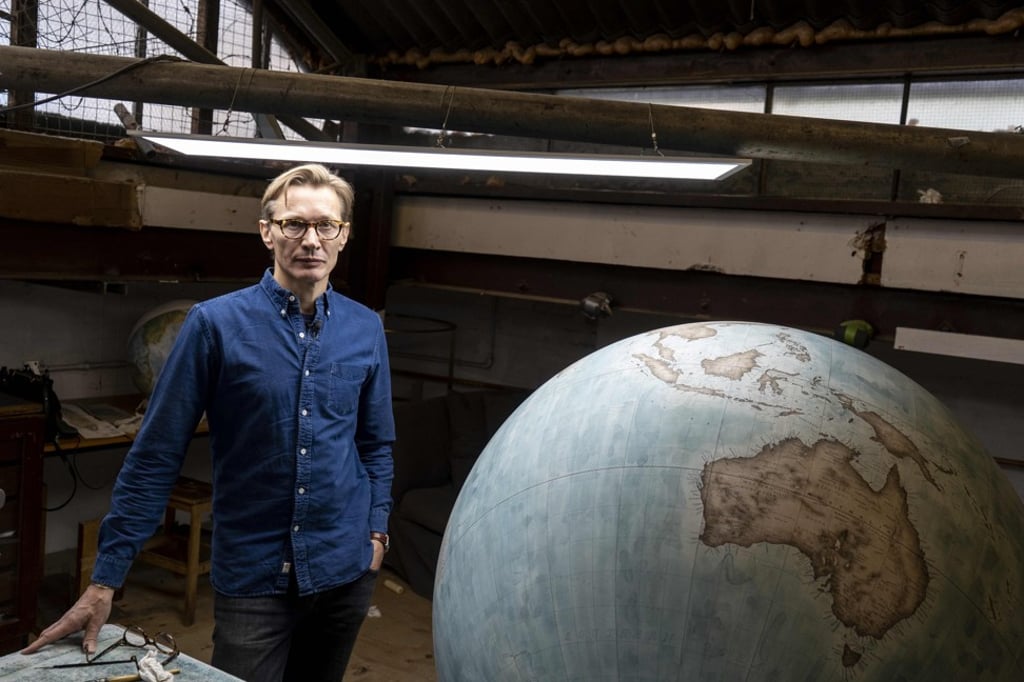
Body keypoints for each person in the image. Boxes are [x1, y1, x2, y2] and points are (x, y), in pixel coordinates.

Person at [23, 163, 395, 682]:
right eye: (294, 224)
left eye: (325, 226)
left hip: (345, 570)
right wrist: (104, 581)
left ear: (344, 235)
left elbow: (376, 445)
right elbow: (155, 455)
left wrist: (376, 534)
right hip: (255, 577)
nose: (310, 240)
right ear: (267, 231)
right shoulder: (214, 325)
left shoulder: (364, 328)